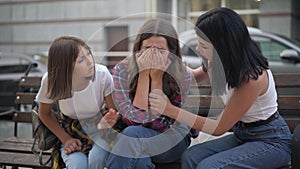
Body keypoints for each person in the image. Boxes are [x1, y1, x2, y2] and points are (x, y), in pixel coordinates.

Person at [149, 7, 292, 169]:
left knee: (210, 166)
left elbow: (218, 128)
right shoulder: (217, 62)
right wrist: (167, 58)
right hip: (242, 135)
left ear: (222, 46)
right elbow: (193, 77)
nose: (197, 49)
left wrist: (170, 110)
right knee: (190, 157)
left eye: (203, 45)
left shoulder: (252, 78)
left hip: (271, 140)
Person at [105, 18, 198, 169]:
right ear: (138, 49)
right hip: (132, 137)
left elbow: (163, 127)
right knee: (137, 156)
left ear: (171, 52)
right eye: (147, 48)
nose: (153, 54)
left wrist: (156, 79)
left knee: (130, 137)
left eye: (160, 50)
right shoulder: (122, 70)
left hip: (173, 140)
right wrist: (143, 76)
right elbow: (134, 121)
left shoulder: (183, 75)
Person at [36, 36, 119, 169]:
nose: (90, 62)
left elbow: (114, 111)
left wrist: (108, 122)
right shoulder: (51, 80)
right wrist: (66, 139)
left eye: (89, 54)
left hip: (101, 130)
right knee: (77, 165)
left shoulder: (102, 75)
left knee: (96, 160)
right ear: (65, 67)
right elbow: (44, 113)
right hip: (71, 131)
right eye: (81, 60)